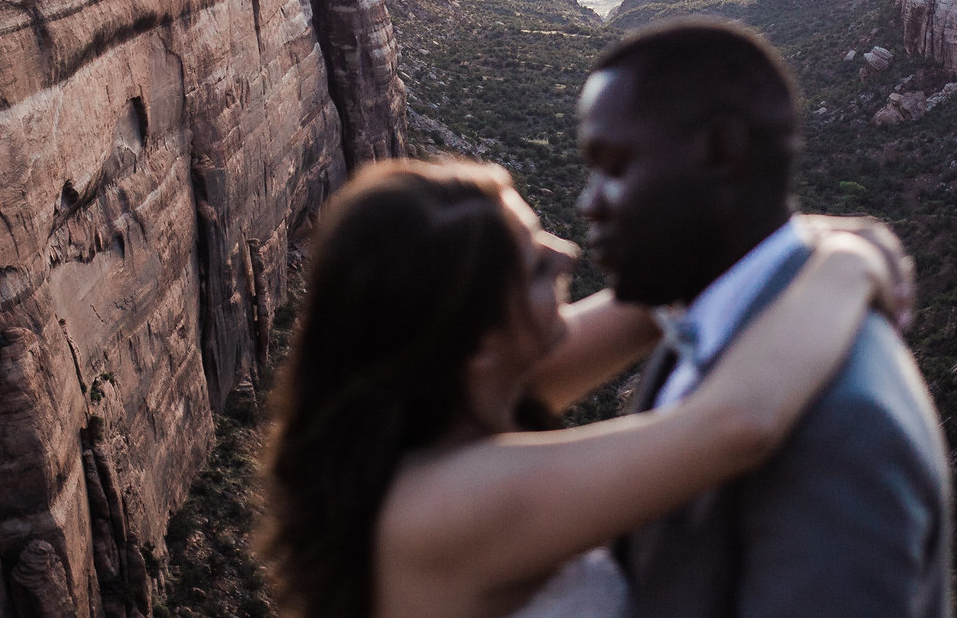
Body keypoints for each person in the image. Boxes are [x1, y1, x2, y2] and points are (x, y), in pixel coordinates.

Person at [258, 158, 906, 618]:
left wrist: (808, 235)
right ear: (480, 339)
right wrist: (855, 264)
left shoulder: (461, 393)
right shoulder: (442, 504)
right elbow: (737, 423)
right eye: (537, 264)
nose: (568, 252)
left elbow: (651, 298)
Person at [579, 19, 951, 618]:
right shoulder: (697, 321)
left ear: (722, 152)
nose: (587, 203)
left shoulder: (844, 427)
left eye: (615, 168)